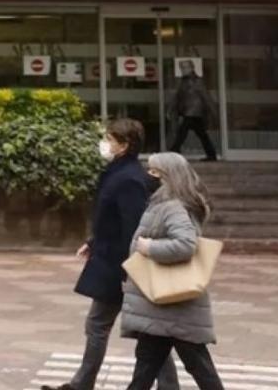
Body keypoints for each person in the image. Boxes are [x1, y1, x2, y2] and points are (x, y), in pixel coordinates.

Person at [42, 119, 179, 390]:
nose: (105, 144)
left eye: (110, 139)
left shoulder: (128, 178)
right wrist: (93, 241)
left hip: (120, 266)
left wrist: (128, 270)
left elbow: (134, 226)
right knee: (146, 330)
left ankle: (83, 384)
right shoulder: (119, 172)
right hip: (114, 261)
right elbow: (113, 219)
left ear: (124, 145)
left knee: (114, 326)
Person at [121, 152, 225, 390]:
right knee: (145, 369)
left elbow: (186, 245)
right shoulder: (164, 204)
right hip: (162, 307)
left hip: (173, 306)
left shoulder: (172, 207)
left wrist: (149, 247)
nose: (148, 176)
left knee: (197, 367)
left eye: (154, 172)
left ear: (169, 176)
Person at [168, 61, 219, 161]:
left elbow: (206, 97)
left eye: (185, 68)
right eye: (182, 68)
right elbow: (177, 97)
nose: (183, 70)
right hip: (190, 112)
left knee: (182, 132)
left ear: (192, 68)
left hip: (193, 112)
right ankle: (211, 154)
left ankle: (174, 151)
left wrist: (214, 112)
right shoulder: (183, 81)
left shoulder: (197, 81)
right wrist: (171, 109)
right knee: (201, 134)